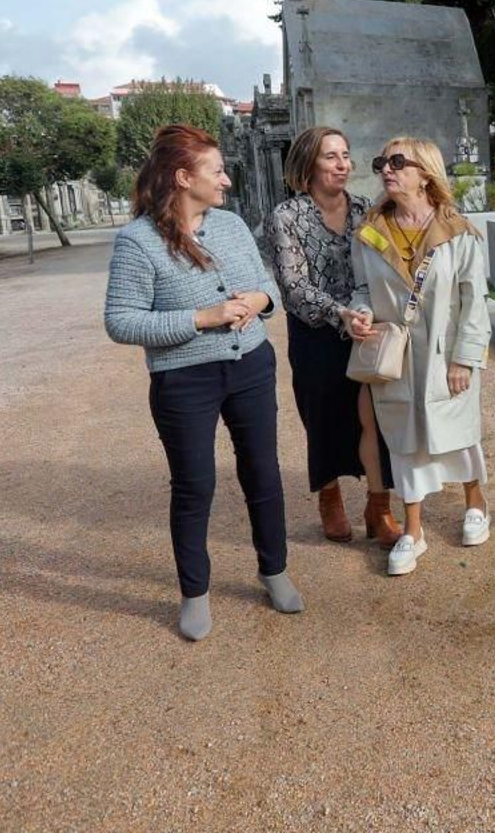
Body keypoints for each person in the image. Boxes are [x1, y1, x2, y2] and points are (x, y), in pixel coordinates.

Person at [103, 124, 302, 641]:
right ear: (183, 177)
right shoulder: (138, 241)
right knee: (195, 485)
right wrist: (201, 318)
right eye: (217, 171)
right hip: (183, 380)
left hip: (251, 365)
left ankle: (274, 569)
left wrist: (258, 301)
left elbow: (266, 285)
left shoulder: (232, 225)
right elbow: (120, 321)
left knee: (263, 472)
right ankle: (195, 592)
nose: (226, 180)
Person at [349, 136, 493, 576]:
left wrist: (464, 359)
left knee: (459, 433)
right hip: (396, 355)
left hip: (446, 354)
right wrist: (359, 312)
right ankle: (413, 531)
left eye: (397, 162)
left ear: (425, 173)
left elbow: (474, 301)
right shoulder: (369, 233)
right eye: (382, 162)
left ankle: (476, 503)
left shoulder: (458, 231)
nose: (386, 170)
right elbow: (362, 288)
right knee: (404, 441)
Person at [267, 126, 402, 548]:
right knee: (322, 416)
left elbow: (388, 262)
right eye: (331, 156)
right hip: (316, 332)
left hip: (366, 327)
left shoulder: (367, 210)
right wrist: (338, 313)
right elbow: (293, 286)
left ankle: (379, 506)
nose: (343, 164)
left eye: (345, 155)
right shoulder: (287, 217)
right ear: (308, 163)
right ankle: (330, 497)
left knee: (376, 417)